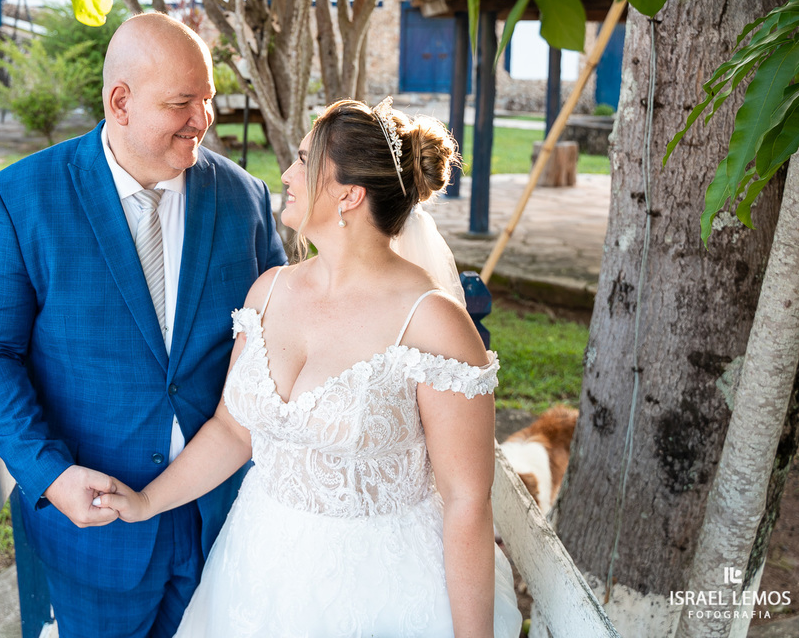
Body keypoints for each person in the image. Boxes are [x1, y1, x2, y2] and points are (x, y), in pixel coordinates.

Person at [97, 99, 523, 637]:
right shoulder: (269, 290)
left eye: (304, 160)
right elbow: (233, 430)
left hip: (379, 589)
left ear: (349, 194)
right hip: (256, 568)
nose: (287, 174)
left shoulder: (431, 323)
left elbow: (465, 501)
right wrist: (145, 501)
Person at [0, 12, 286, 637]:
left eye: (207, 99)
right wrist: (50, 473)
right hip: (95, 529)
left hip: (225, 514)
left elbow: (276, 341)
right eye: (182, 102)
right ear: (121, 102)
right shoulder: (21, 200)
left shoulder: (244, 197)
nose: (203, 119)